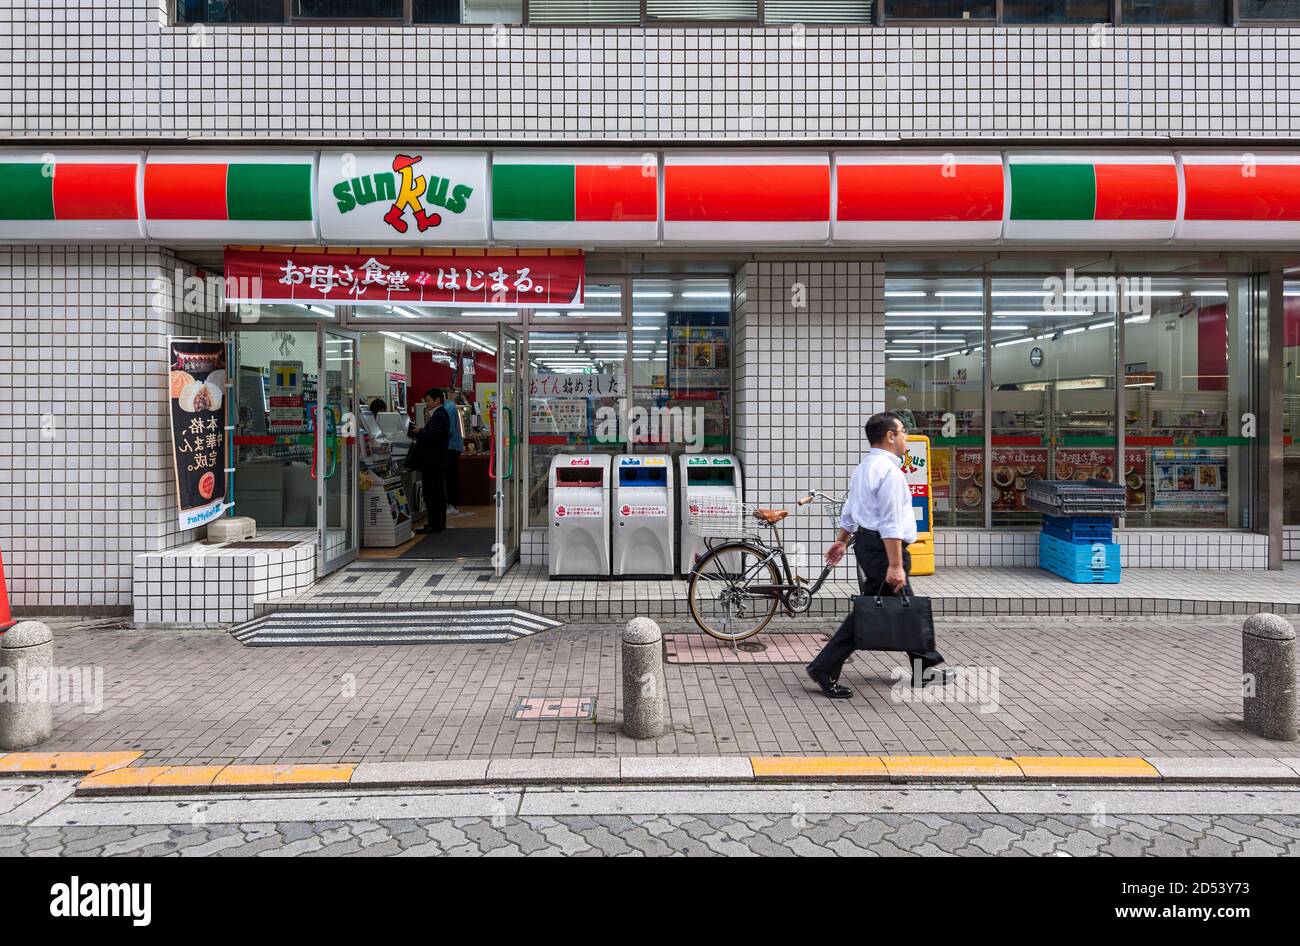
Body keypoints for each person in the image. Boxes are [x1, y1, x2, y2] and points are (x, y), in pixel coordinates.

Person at [806, 411, 954, 699]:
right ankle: (823, 667)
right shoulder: (889, 473)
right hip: (884, 549)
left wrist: (841, 541)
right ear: (890, 436)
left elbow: (850, 508)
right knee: (869, 611)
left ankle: (924, 667)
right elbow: (890, 523)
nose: (906, 438)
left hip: (869, 544)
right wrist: (896, 564)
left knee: (904, 605)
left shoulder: (864, 468)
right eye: (903, 432)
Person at [408, 388, 449, 535]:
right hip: (436, 461)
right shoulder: (439, 414)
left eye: (429, 400)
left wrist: (420, 432)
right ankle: (435, 523)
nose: (427, 403)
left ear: (438, 400)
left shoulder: (439, 416)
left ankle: (435, 524)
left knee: (433, 493)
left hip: (434, 462)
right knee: (434, 493)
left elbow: (433, 437)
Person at [444, 393, 465, 518]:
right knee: (452, 476)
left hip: (451, 446)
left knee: (450, 477)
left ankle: (453, 505)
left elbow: (450, 430)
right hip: (456, 445)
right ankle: (454, 504)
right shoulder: (452, 406)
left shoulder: (447, 408)